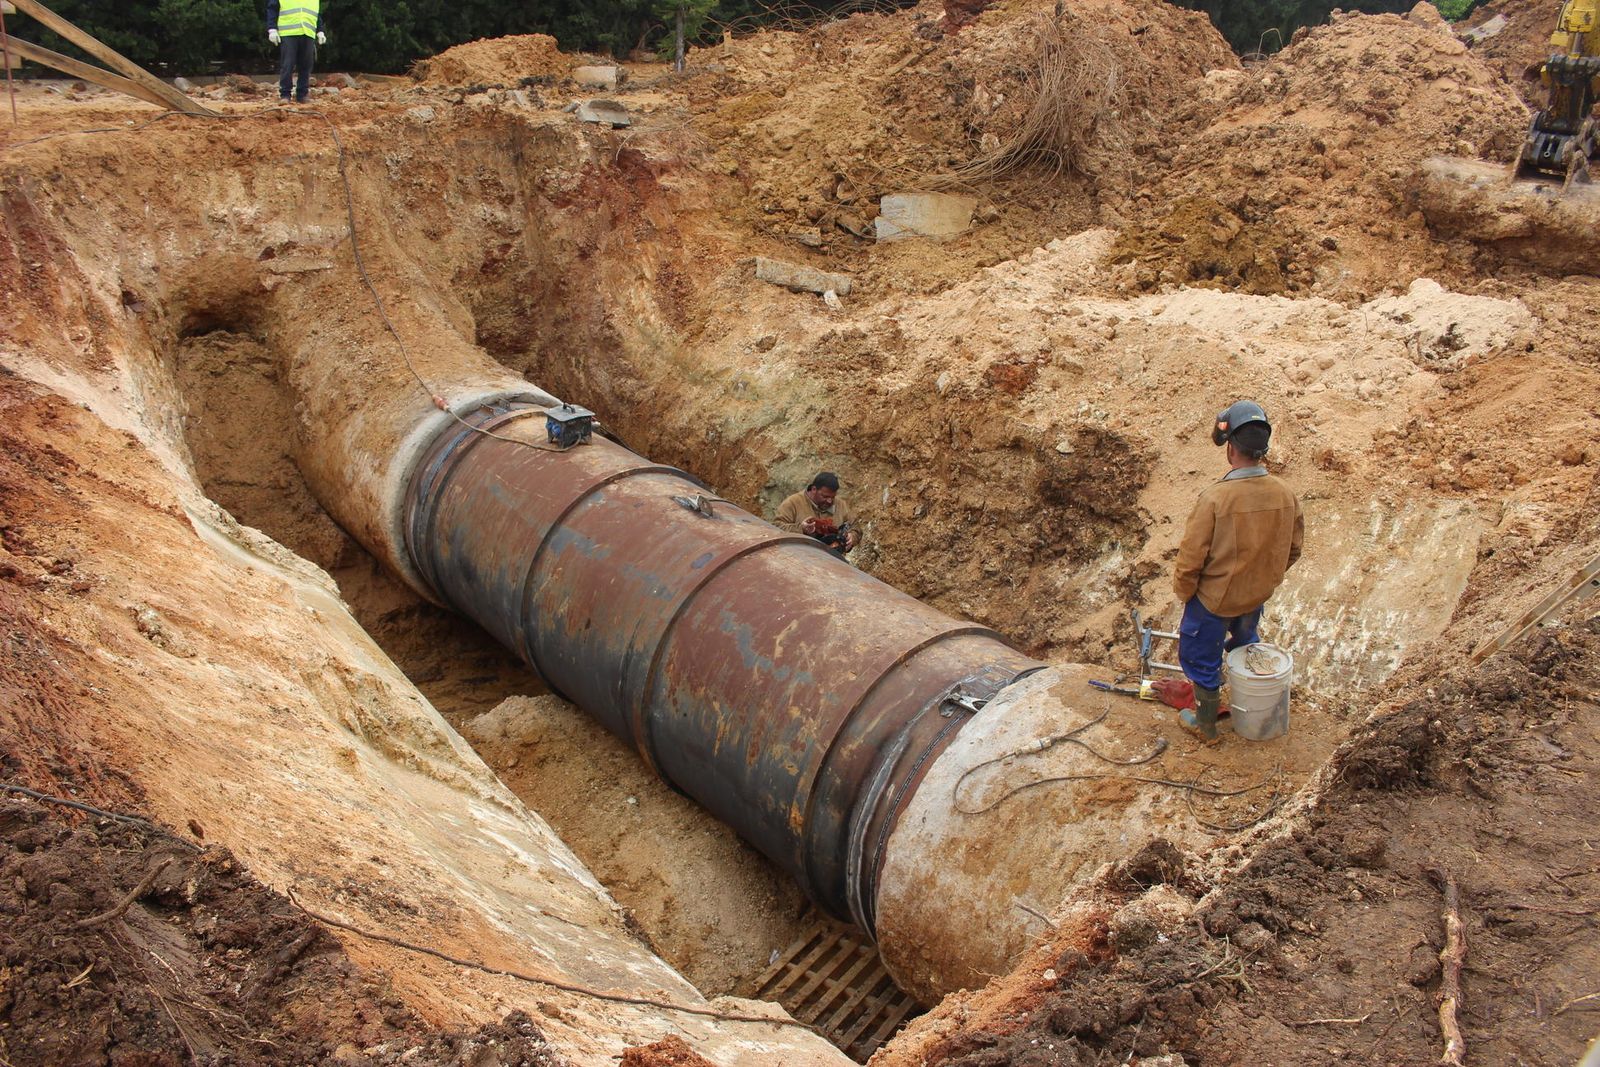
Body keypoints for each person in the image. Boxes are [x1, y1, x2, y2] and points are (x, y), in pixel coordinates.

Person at [1171, 401, 1303, 743]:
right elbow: (1294, 549)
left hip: (1215, 600)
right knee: (1244, 640)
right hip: (1256, 594)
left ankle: (1206, 725)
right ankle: (1252, 699)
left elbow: (1191, 558)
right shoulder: (1285, 493)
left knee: (1199, 655)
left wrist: (1187, 593)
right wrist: (1266, 576)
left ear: (1230, 449)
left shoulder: (1216, 499)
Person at [774, 472, 860, 557]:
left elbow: (855, 526)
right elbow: (776, 528)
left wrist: (852, 537)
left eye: (832, 497)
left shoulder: (841, 505)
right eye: (825, 496)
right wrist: (801, 529)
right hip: (797, 559)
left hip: (832, 562)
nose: (829, 501)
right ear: (814, 489)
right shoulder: (792, 503)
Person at [267, 0, 325, 104]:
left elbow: (316, 14)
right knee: (288, 64)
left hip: (307, 32)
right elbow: (272, 9)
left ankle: (302, 94)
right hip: (288, 33)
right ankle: (285, 94)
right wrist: (272, 29)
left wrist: (320, 30)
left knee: (306, 65)